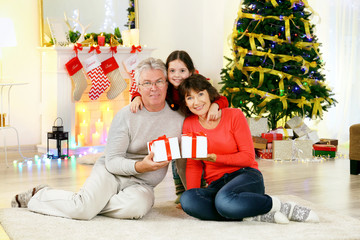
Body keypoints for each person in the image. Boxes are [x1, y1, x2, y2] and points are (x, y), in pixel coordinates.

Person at [11, 57, 185, 220]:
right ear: (138, 87)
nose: (153, 88)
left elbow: (185, 160)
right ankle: (41, 195)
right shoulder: (126, 115)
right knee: (82, 210)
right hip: (111, 173)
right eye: (147, 83)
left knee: (136, 209)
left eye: (159, 81)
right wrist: (140, 166)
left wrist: (187, 193)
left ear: (166, 84)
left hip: (143, 185)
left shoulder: (179, 119)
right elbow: (112, 162)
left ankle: (88, 203)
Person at [178, 74, 319, 223]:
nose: (196, 102)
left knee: (223, 201)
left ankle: (281, 207)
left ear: (209, 94)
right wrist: (192, 193)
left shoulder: (234, 115)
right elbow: (193, 164)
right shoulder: (189, 124)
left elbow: (248, 158)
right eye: (190, 98)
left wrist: (215, 158)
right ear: (185, 103)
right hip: (216, 185)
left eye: (200, 94)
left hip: (245, 176)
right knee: (188, 200)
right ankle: (252, 214)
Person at [130, 50, 229, 203]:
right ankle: (182, 190)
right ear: (166, 73)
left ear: (191, 71)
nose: (177, 75)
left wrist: (216, 105)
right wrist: (136, 96)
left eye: (182, 71)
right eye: (172, 71)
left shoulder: (196, 84)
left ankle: (201, 188)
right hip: (176, 127)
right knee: (178, 157)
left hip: (197, 126)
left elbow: (220, 98)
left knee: (193, 157)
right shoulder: (166, 87)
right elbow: (149, 89)